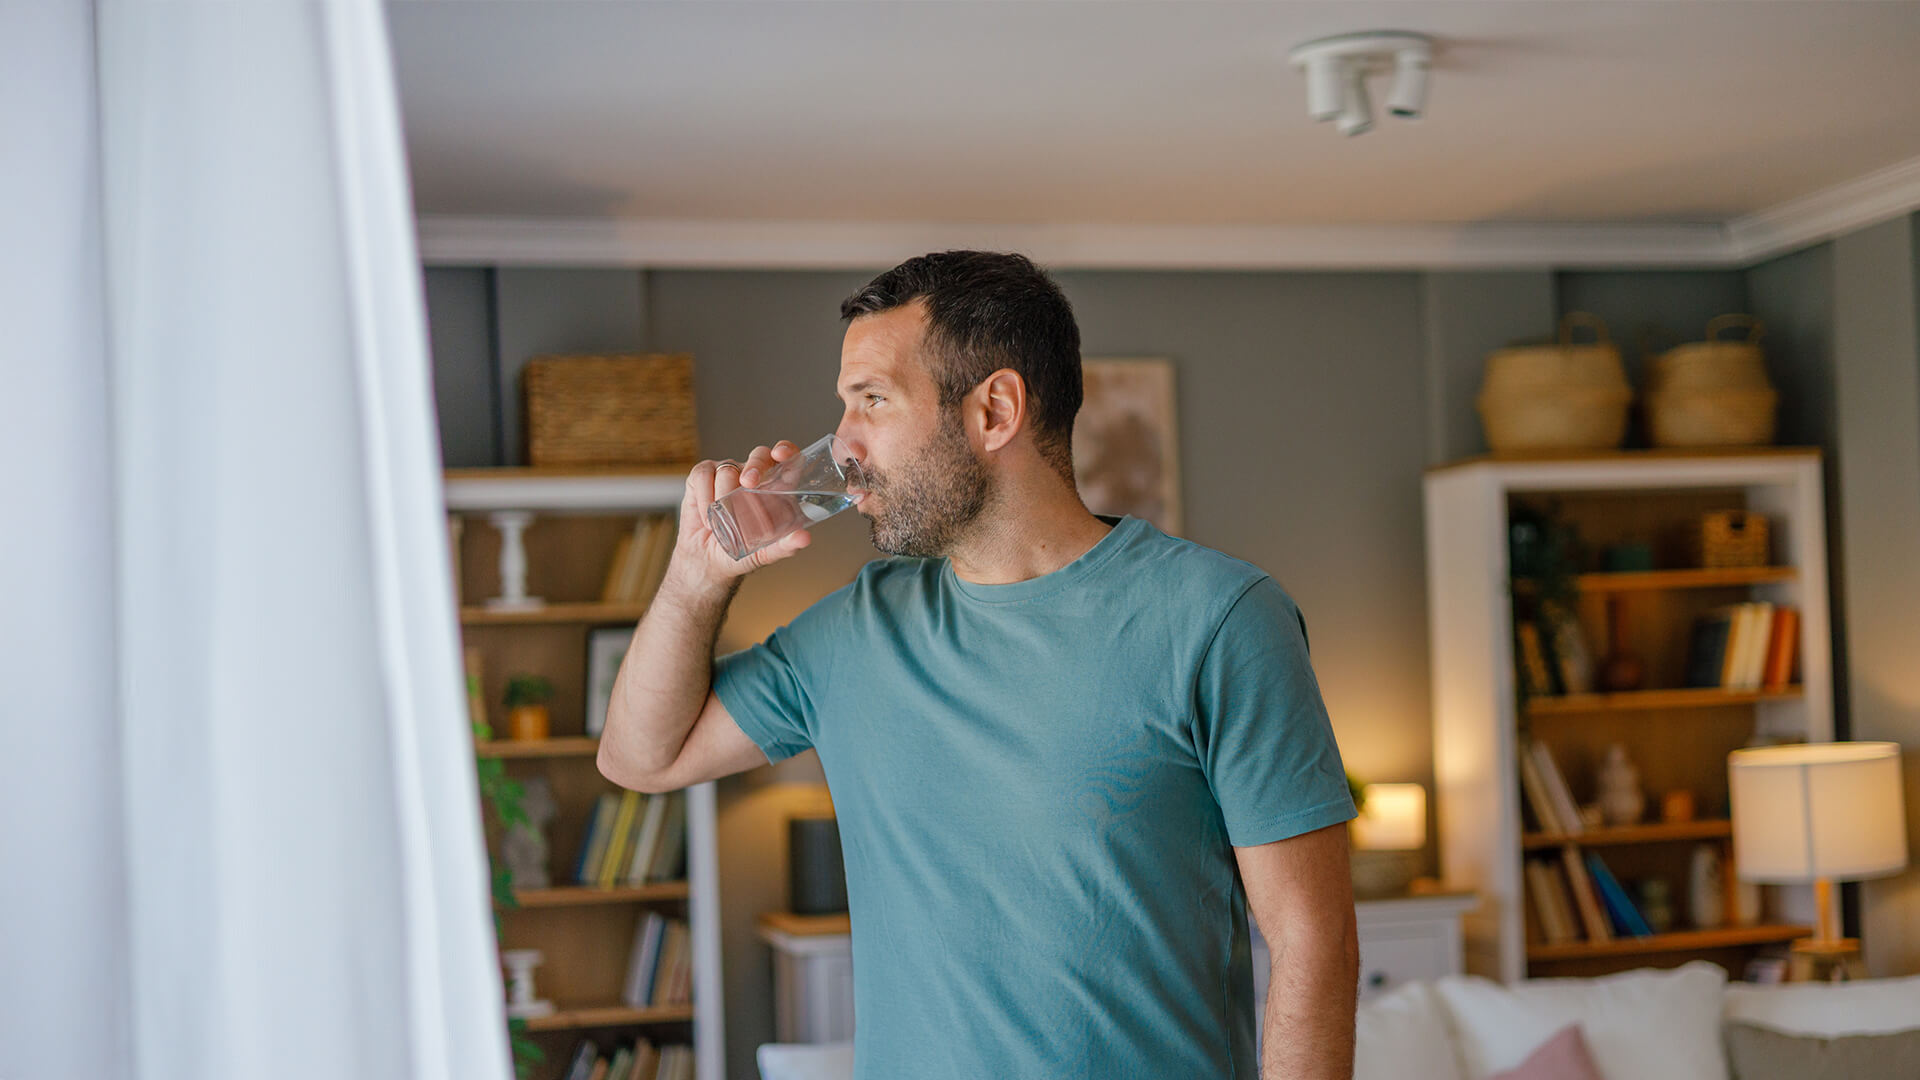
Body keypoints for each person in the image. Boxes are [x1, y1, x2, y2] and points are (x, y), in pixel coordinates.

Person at [598, 251, 1358, 1079]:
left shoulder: (1220, 618)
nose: (842, 443)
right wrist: (695, 577)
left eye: (873, 402)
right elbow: (642, 757)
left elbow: (1313, 944)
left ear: (994, 410)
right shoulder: (859, 628)